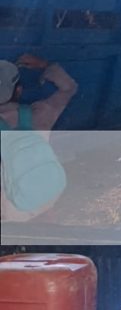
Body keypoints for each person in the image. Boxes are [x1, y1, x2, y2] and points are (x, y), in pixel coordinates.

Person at [0, 54, 78, 221]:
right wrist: (44, 64)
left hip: (7, 209)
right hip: (43, 201)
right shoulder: (41, 115)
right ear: (19, 90)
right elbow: (69, 87)